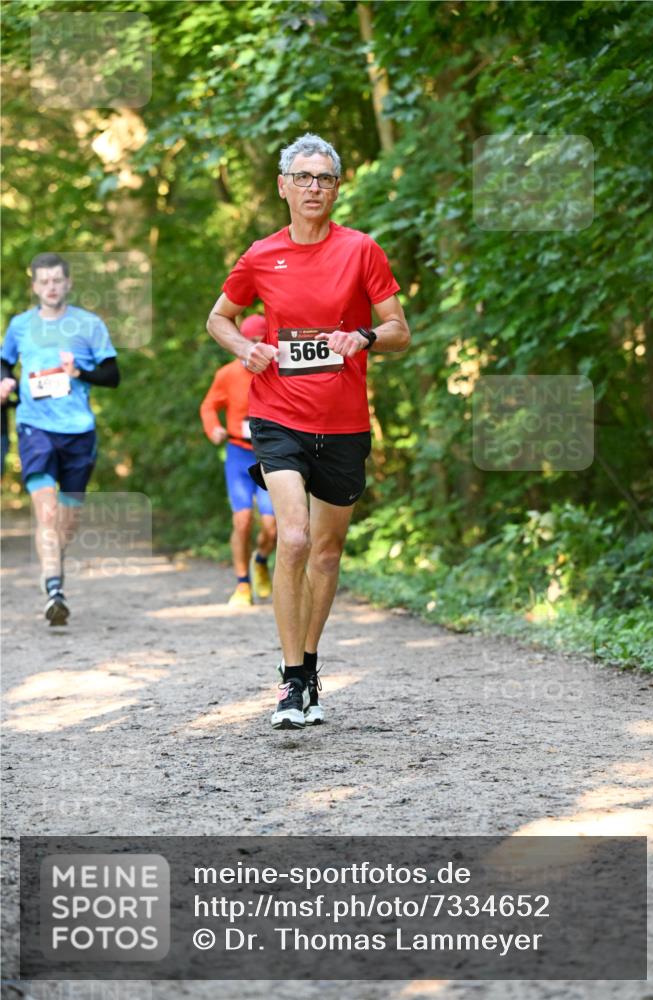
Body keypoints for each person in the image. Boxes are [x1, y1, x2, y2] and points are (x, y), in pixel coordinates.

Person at [206, 133, 410, 729]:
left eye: (324, 178)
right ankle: (291, 683)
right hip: (277, 417)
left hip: (343, 423)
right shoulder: (261, 255)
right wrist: (246, 347)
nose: (314, 187)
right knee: (292, 539)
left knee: (326, 551)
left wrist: (364, 336)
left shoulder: (361, 250)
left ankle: (311, 664)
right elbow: (219, 318)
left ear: (337, 187)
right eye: (304, 177)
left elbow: (399, 328)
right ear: (283, 186)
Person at [0, 252, 120, 626]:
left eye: (57, 280)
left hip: (78, 432)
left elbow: (112, 375)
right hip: (35, 427)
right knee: (46, 511)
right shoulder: (20, 325)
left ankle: (53, 565)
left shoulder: (89, 325)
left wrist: (78, 371)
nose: (51, 287)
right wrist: (5, 381)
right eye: (44, 281)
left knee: (66, 521)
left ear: (68, 283)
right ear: (35, 286)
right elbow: (4, 361)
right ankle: (54, 588)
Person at [200, 313, 277, 606]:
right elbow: (208, 405)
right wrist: (213, 429)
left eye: (261, 341)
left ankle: (261, 560)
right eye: (250, 342)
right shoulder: (228, 374)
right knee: (242, 520)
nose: (256, 348)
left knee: (272, 527)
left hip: (271, 455)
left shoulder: (278, 370)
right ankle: (243, 585)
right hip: (238, 453)